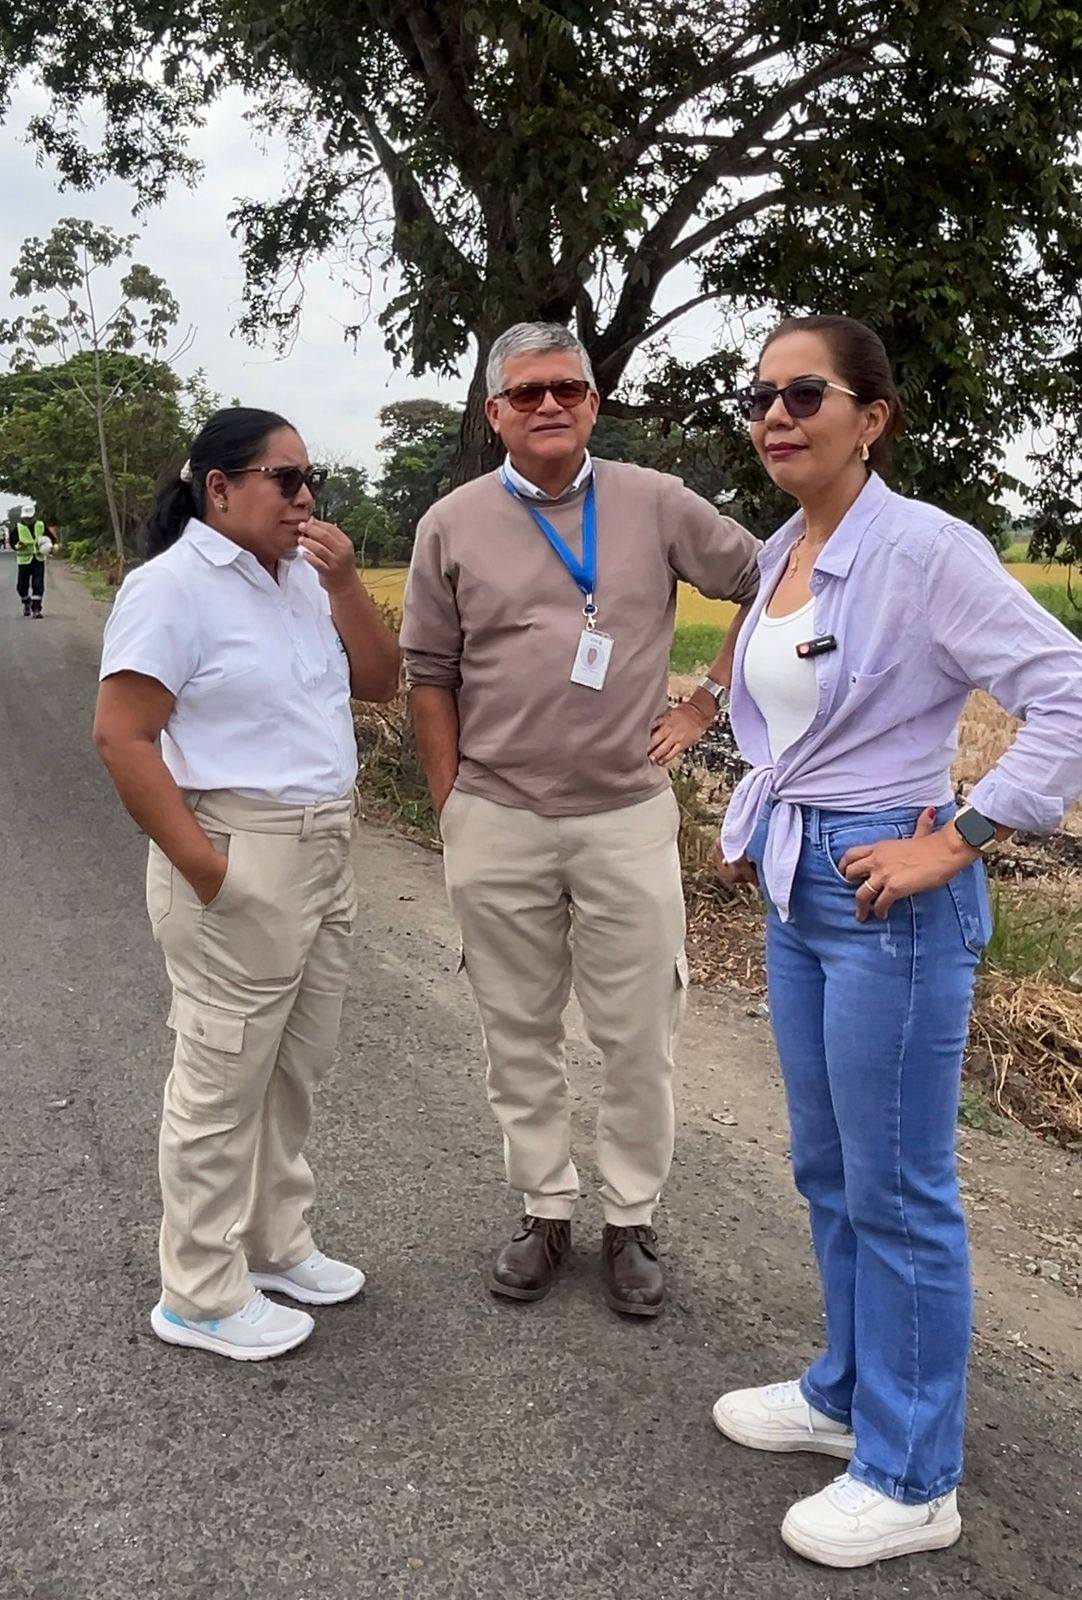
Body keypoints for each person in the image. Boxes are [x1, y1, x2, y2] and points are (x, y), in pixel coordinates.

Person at [708, 315, 1082, 1567]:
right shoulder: (784, 547)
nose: (773, 414)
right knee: (826, 1164)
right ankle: (846, 1391)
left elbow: (1064, 690)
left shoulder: (924, 547)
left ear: (870, 417)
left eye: (802, 393)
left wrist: (960, 835)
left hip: (889, 895)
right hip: (798, 885)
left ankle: (914, 1474)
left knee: (899, 1189)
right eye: (758, 395)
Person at [400, 322, 760, 1317]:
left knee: (638, 1033)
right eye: (526, 393)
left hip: (625, 814)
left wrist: (705, 702)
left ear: (594, 403)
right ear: (494, 414)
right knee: (515, 1029)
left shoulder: (654, 501)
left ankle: (632, 1219)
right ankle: (545, 1208)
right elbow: (428, 672)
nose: (549, 404)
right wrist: (451, 803)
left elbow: (772, 582)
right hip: (496, 814)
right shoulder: (451, 523)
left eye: (567, 387)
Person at [93, 407, 400, 1362]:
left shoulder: (302, 576)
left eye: (313, 480)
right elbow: (122, 737)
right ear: (219, 488)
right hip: (239, 849)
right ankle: (198, 1290)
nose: (305, 498)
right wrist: (208, 870)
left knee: (294, 1066)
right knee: (221, 1079)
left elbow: (380, 680)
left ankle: (272, 1242)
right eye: (286, 479)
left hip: (324, 848)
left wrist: (344, 582)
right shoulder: (171, 589)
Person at [12, 514, 51, 617]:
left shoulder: (41, 525)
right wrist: (18, 546)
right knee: (21, 587)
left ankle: (36, 609)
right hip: (24, 561)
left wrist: (51, 546)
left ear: (34, 517)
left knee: (38, 584)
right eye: (26, 518)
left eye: (30, 518)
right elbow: (13, 542)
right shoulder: (19, 528)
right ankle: (27, 601)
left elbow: (50, 538)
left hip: (38, 560)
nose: (28, 520)